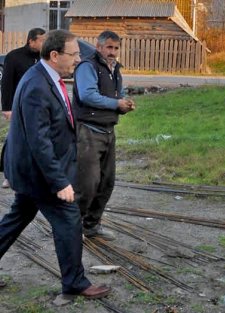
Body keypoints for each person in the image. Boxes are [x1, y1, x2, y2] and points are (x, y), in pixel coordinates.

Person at [0, 29, 111, 299]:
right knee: (69, 220)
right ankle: (75, 283)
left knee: (17, 217)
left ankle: (74, 280)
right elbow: (40, 141)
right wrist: (60, 181)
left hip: (29, 171)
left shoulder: (44, 78)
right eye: (73, 55)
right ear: (54, 55)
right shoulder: (37, 85)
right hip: (38, 172)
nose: (77, 60)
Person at [73, 30, 135, 241]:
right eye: (109, 47)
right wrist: (115, 104)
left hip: (108, 131)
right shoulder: (87, 66)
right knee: (87, 184)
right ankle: (73, 228)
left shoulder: (115, 68)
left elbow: (119, 93)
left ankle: (91, 225)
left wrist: (124, 103)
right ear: (98, 47)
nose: (113, 52)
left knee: (107, 182)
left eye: (116, 48)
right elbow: (87, 95)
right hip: (89, 131)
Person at [0, 28, 46, 189]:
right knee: (13, 141)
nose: (43, 43)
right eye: (41, 40)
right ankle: (8, 174)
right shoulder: (14, 57)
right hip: (17, 107)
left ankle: (32, 174)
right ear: (31, 40)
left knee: (36, 140)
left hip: (38, 107)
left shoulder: (44, 58)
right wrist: (6, 108)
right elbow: (6, 84)